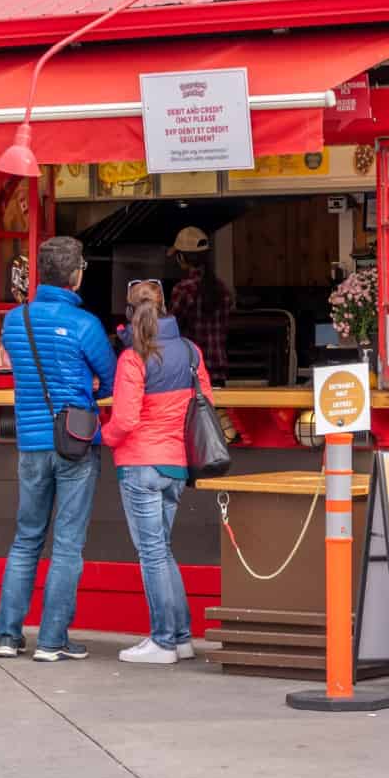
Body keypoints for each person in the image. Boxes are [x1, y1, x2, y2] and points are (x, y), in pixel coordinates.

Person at [0, 235, 116, 662]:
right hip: (75, 442)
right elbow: (111, 377)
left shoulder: (14, 321)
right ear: (76, 276)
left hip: (30, 442)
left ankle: (8, 637)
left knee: (26, 538)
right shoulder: (85, 326)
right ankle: (52, 639)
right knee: (66, 543)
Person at [102, 280, 214, 665]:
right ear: (165, 306)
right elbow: (207, 404)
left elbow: (126, 419)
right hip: (175, 464)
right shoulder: (190, 351)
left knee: (151, 554)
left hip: (139, 465)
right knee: (162, 551)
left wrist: (105, 436)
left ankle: (163, 641)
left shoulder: (133, 358)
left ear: (131, 313)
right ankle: (181, 638)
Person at [167, 226, 232, 382]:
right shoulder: (222, 289)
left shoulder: (183, 290)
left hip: (192, 372)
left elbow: (169, 330)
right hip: (218, 373)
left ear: (182, 258)